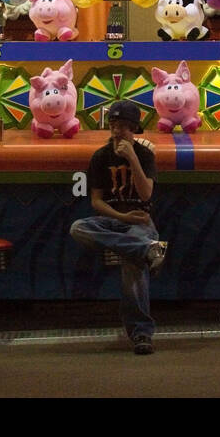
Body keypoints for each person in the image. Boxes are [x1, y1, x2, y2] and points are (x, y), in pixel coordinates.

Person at [70, 99, 168, 356]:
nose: (117, 131)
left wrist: (132, 157)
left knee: (131, 262)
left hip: (141, 220)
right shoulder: (100, 156)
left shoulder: (145, 155)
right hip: (115, 220)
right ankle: (149, 250)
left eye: (124, 126)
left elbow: (146, 195)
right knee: (78, 227)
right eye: (114, 125)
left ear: (134, 128)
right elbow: (96, 202)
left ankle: (141, 334)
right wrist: (121, 218)